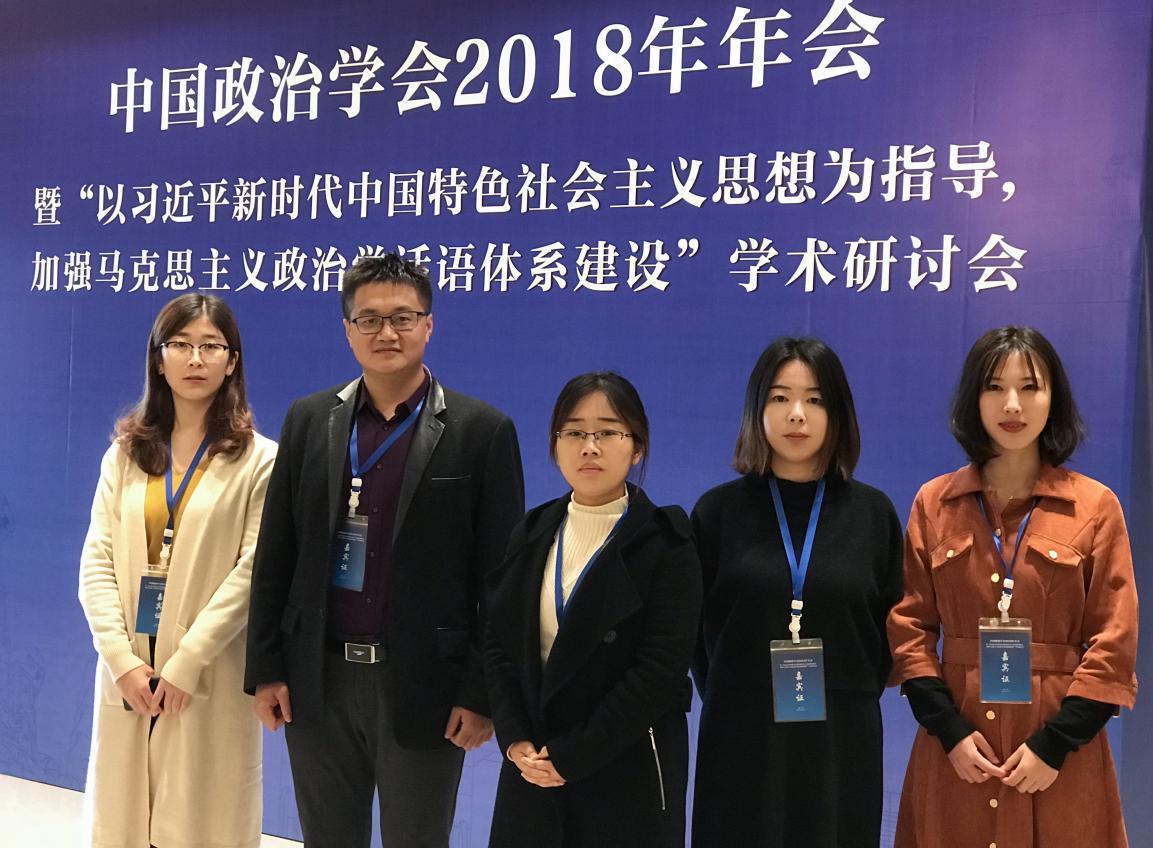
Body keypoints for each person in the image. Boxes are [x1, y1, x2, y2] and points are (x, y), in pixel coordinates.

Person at [244, 253, 524, 848]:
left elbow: (502, 582)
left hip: (425, 685)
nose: (386, 333)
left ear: (429, 324)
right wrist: (267, 668)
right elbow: (277, 554)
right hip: (318, 681)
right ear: (348, 330)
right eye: (368, 319)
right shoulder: (308, 420)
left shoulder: (482, 431)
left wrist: (481, 693)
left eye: (403, 317)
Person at [888, 325, 1138, 848]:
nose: (1012, 405)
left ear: (1054, 398)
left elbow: (1114, 642)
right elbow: (909, 629)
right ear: (972, 399)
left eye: (1029, 387)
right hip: (959, 752)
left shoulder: (1095, 507)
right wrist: (950, 734)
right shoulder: (934, 503)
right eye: (995, 387)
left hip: (1059, 758)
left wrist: (1055, 745)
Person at [78, 294, 276, 848]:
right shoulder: (126, 454)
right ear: (158, 359)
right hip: (130, 670)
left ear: (232, 362)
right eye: (181, 345)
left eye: (211, 346)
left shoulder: (259, 460)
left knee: (201, 822)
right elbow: (96, 561)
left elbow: (253, 572)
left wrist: (188, 661)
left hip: (206, 671)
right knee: (123, 820)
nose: (195, 359)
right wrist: (120, 661)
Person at [691, 337, 903, 848]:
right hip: (741, 730)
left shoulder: (873, 514)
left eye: (815, 399)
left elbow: (892, 631)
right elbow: (693, 636)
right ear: (756, 408)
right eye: (780, 397)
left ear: (838, 412)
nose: (797, 415)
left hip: (840, 737)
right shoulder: (716, 513)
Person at [485, 372, 701, 847]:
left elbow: (659, 671)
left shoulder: (667, 543)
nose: (589, 447)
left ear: (637, 447)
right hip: (534, 765)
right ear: (555, 444)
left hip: (624, 766)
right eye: (574, 432)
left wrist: (574, 755)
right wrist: (515, 740)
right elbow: (499, 644)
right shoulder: (532, 532)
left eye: (607, 432)